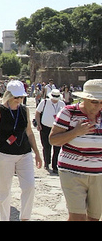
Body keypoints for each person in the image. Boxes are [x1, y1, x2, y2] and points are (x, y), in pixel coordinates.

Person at [0, 80, 43, 221]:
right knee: (4, 190)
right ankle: (5, 218)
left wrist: (37, 153)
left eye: (21, 97)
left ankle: (25, 218)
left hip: (24, 153)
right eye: (16, 97)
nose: (19, 99)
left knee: (29, 186)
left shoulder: (24, 110)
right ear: (9, 95)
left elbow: (29, 132)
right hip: (4, 154)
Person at [49, 79, 102, 221]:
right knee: (77, 217)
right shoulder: (69, 112)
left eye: (101, 102)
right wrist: (75, 132)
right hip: (72, 172)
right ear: (84, 98)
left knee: (94, 218)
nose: (98, 106)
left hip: (99, 174)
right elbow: (53, 140)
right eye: (95, 102)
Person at [35, 88, 65, 173]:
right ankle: (47, 162)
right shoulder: (44, 102)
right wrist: (38, 124)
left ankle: (55, 165)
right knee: (46, 146)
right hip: (45, 127)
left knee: (57, 147)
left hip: (57, 128)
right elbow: (37, 112)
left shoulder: (62, 104)